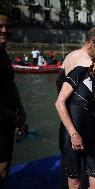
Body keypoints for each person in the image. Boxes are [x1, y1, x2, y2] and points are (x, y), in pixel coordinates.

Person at [55, 41, 95, 189]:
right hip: (71, 136)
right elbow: (59, 103)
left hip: (93, 140)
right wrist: (73, 134)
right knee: (75, 184)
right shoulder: (80, 72)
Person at [0, 12, 27, 189]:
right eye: (0, 26)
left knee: (5, 163)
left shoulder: (3, 54)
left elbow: (11, 85)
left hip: (7, 119)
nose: (4, 30)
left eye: (7, 26)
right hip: (5, 117)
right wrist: (14, 118)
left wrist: (21, 108)